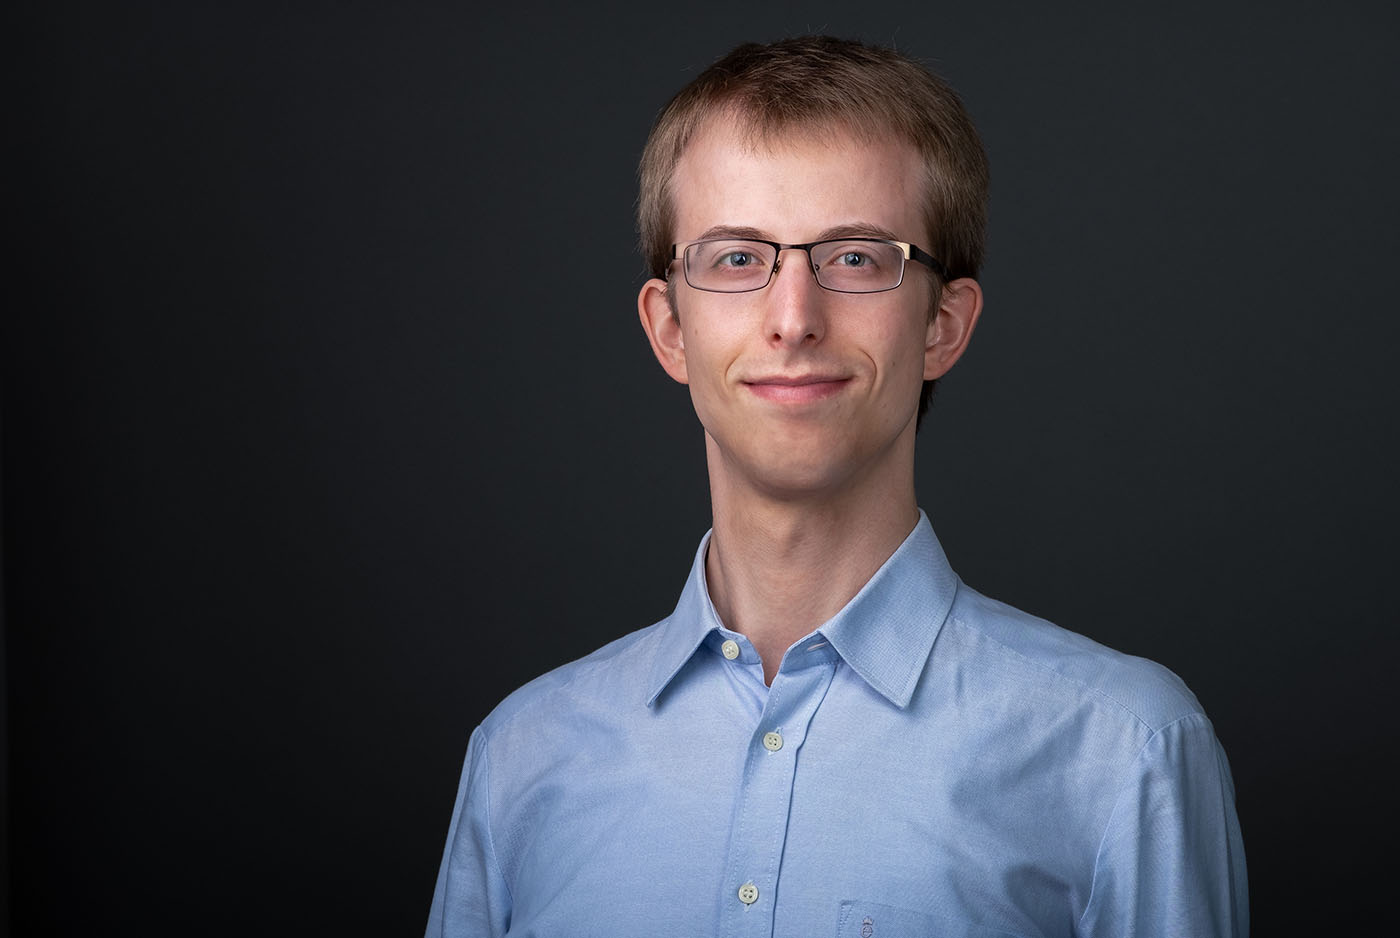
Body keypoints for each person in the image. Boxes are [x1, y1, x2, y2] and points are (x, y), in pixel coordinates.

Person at [426, 36, 1248, 937]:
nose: (792, 320)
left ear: (942, 324)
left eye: (856, 257)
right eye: (737, 258)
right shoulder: (519, 761)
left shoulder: (1123, 752)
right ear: (669, 330)